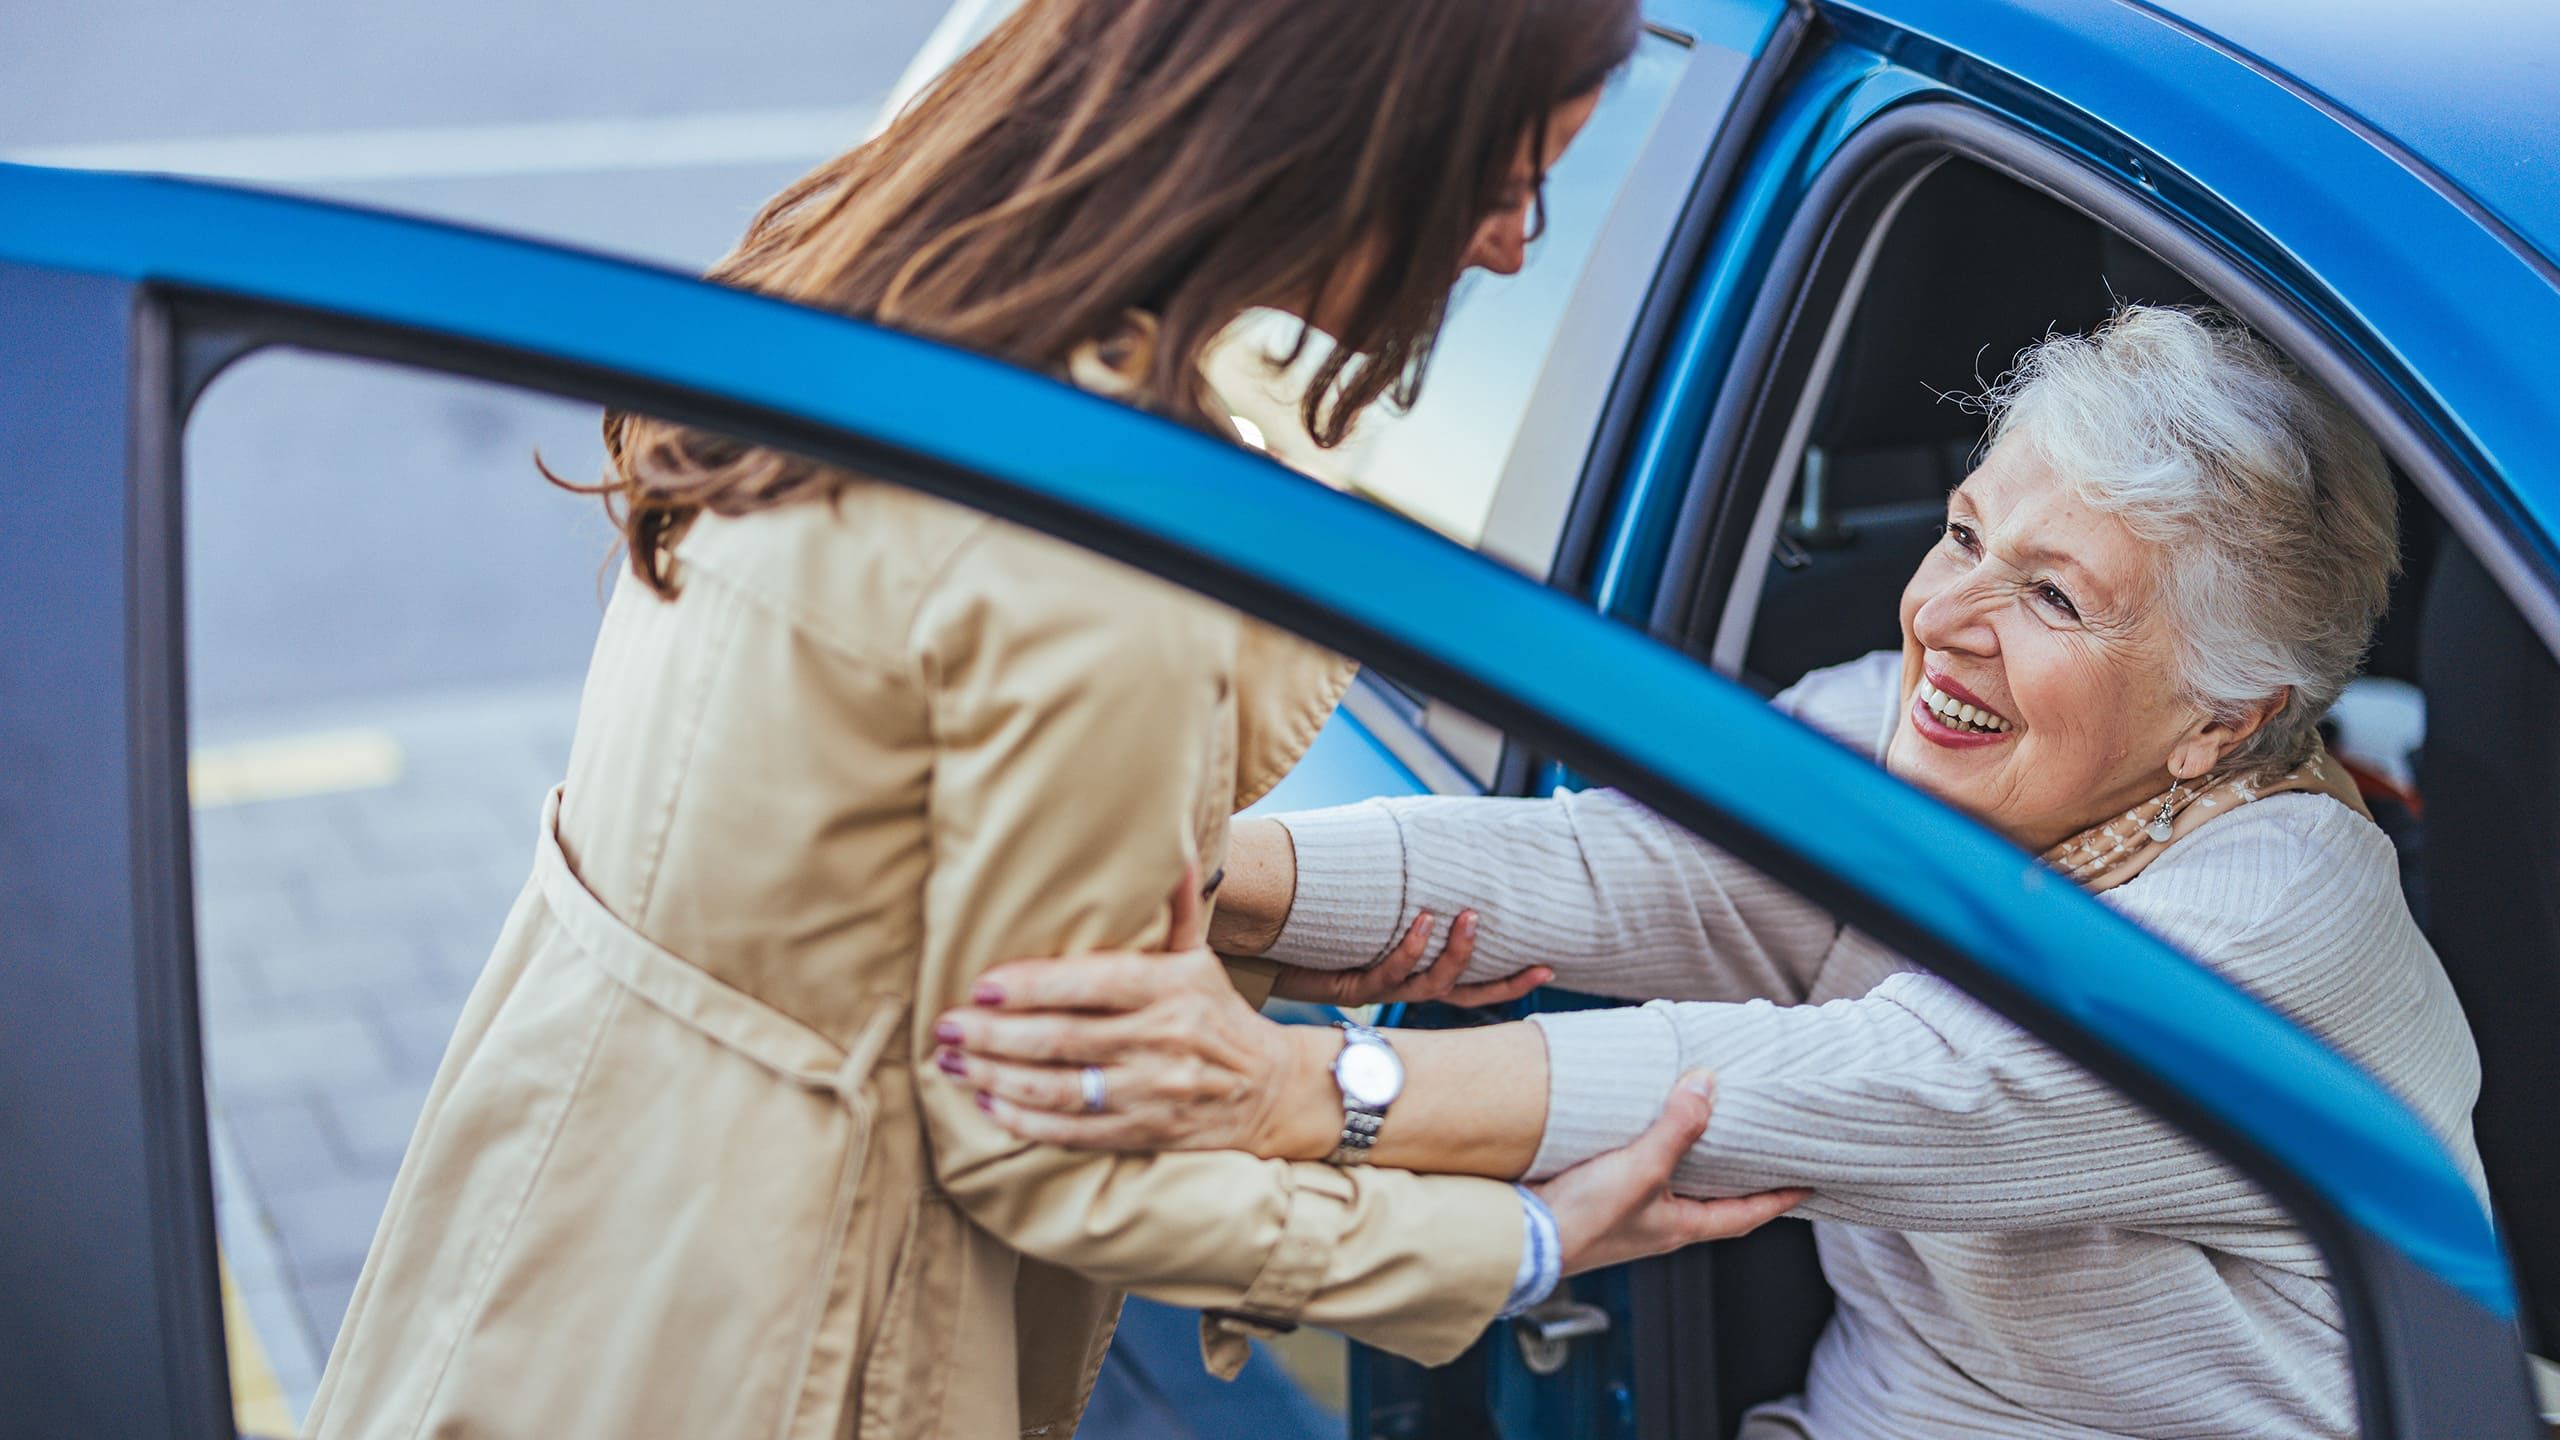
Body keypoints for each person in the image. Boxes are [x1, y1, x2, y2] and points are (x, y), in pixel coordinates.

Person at [302, 4, 1819, 1438]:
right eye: (1504, 182)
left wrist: (1229, 929)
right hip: (785, 1344)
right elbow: (1048, 1154)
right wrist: (1529, 1240)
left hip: (559, 1253)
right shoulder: (1097, 547)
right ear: (1342, 130)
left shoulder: (866, 281)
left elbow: (836, 858)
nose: (1512, 244)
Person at [941, 306, 2491, 1439]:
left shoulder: (2282, 915)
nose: (1943, 621)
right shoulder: (1913, 733)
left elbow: (1852, 1085)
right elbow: (1631, 869)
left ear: (2226, 719)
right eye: (1963, 535)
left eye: (2054, 599)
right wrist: (1200, 868)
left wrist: (1301, 1090)